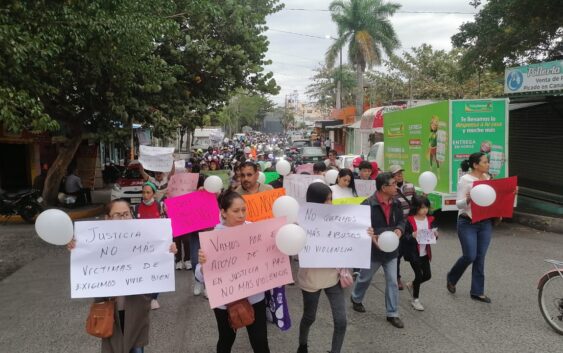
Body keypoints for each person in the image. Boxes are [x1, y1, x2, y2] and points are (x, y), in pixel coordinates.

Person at [67, 199, 177, 353]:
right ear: (108, 218)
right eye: (118, 215)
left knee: (137, 349)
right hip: (110, 309)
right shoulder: (96, 241)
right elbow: (85, 263)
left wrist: (168, 251)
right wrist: (76, 247)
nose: (123, 218)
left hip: (137, 307)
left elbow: (158, 263)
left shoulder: (145, 237)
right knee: (114, 348)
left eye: (126, 214)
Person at [196, 191, 270, 353]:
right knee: (226, 339)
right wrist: (202, 264)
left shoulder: (255, 230)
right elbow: (199, 276)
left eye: (244, 210)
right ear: (223, 212)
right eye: (236, 211)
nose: (241, 215)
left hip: (254, 296)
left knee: (260, 341)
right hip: (225, 301)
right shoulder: (213, 238)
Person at [296, 183, 348, 353]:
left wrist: (364, 233)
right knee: (309, 317)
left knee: (341, 320)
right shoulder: (300, 223)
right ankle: (302, 345)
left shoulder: (339, 220)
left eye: (331, 199)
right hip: (311, 279)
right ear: (315, 202)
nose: (330, 204)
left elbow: (351, 239)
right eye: (326, 200)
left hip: (334, 277)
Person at [351, 172, 405, 329]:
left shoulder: (396, 203)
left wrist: (399, 230)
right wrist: (371, 237)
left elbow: (402, 221)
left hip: (392, 250)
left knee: (393, 282)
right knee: (365, 278)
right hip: (373, 251)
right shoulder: (367, 204)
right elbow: (360, 226)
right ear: (383, 187)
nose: (396, 186)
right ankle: (356, 298)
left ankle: (392, 313)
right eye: (393, 184)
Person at [446, 152, 493, 303]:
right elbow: (458, 204)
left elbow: (493, 197)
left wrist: (510, 192)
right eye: (485, 162)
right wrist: (468, 198)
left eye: (488, 162)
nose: (488, 165)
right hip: (468, 222)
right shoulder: (465, 180)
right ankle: (452, 277)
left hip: (485, 222)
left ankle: (477, 291)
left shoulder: (488, 178)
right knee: (470, 256)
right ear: (475, 165)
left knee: (480, 257)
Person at [133, 182, 168, 310]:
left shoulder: (160, 207)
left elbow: (166, 225)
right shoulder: (136, 208)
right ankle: (145, 297)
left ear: (153, 193)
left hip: (157, 246)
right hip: (141, 247)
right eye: (143, 192)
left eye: (148, 192)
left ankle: (154, 297)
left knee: (156, 271)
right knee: (144, 272)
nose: (145, 195)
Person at [400, 195, 437, 311]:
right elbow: (404, 237)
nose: (425, 210)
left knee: (427, 275)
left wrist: (435, 235)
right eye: (422, 208)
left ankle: (412, 284)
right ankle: (415, 300)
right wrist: (412, 235)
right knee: (419, 275)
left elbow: (432, 235)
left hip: (425, 252)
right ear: (416, 208)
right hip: (413, 253)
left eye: (426, 207)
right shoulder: (409, 221)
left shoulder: (430, 219)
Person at [389, 165, 416, 291]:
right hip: (397, 225)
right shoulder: (390, 189)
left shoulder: (410, 186)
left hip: (409, 224)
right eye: (396, 174)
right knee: (397, 253)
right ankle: (397, 277)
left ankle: (417, 278)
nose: (399, 175)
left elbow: (415, 202)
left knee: (411, 252)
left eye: (401, 173)